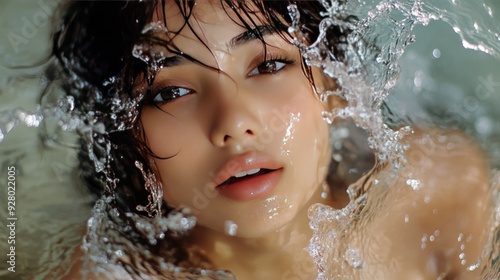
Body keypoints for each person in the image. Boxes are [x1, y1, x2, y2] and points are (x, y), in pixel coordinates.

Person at [51, 0, 493, 279]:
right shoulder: (104, 274)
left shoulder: (438, 196)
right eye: (170, 92)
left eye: (267, 66)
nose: (234, 122)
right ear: (119, 138)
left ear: (334, 85)